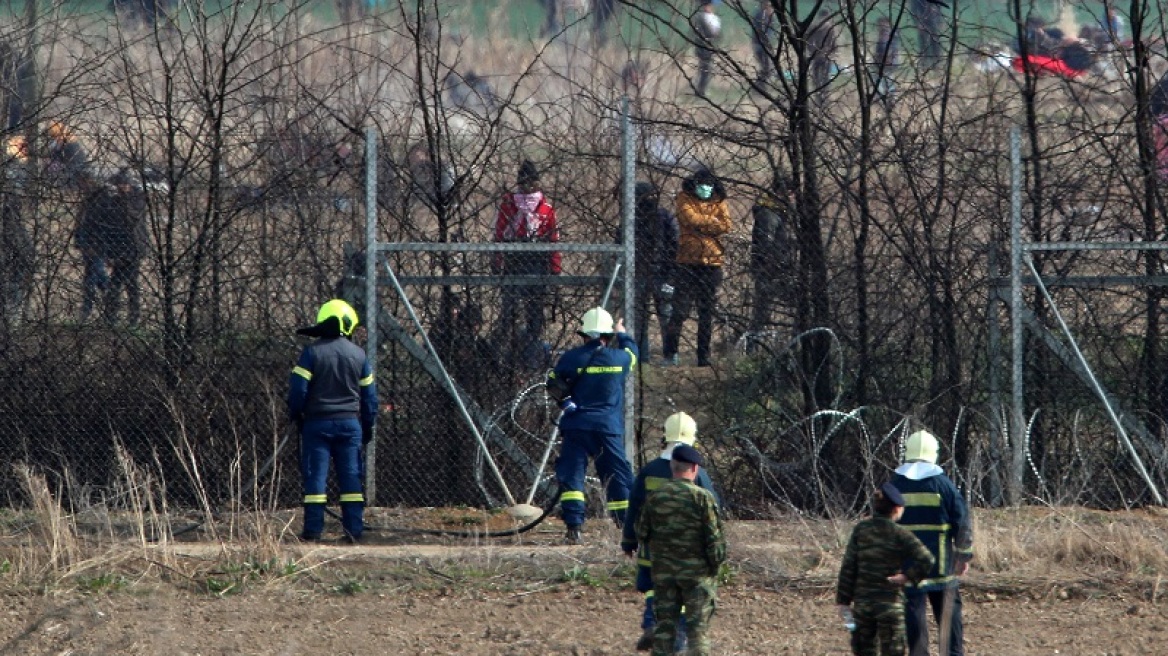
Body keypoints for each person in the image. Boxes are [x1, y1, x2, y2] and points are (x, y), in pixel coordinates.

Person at [622, 412, 719, 652]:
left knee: (655, 591)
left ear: (665, 435)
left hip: (654, 554)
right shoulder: (699, 475)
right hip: (689, 558)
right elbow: (714, 512)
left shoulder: (648, 472)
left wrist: (629, 541)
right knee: (687, 598)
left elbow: (635, 509)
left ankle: (651, 624)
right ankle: (680, 636)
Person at [287, 299, 378, 543]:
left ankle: (313, 532)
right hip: (350, 425)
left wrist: (297, 413)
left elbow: (298, 389)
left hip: (317, 424)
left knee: (315, 478)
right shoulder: (359, 355)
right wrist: (367, 426)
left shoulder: (311, 353)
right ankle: (353, 531)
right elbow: (370, 398)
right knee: (351, 477)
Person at [547, 307, 637, 544]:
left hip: (577, 425)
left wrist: (565, 402)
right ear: (608, 335)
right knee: (616, 475)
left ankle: (574, 527)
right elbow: (633, 353)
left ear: (584, 334)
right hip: (608, 428)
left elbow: (553, 382)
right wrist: (623, 333)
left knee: (573, 474)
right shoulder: (619, 359)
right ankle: (624, 525)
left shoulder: (571, 358)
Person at [891, 429, 974, 656]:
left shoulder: (895, 485)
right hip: (942, 564)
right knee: (948, 615)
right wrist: (963, 555)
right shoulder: (944, 485)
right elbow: (962, 522)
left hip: (909, 564)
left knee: (914, 615)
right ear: (934, 454)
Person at [836, 482, 937, 656]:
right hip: (890, 605)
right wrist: (907, 576)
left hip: (863, 605)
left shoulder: (861, 530)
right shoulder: (900, 533)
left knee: (863, 650)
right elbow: (927, 559)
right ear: (897, 509)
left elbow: (849, 566)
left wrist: (843, 600)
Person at [663, 168, 730, 367]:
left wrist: (702, 224)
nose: (706, 188)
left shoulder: (719, 200)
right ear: (695, 184)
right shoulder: (684, 198)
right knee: (680, 311)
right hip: (687, 263)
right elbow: (688, 219)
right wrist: (711, 222)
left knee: (706, 313)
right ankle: (671, 353)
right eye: (702, 184)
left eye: (709, 185)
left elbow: (726, 225)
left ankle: (703, 356)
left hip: (711, 263)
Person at [494, 159, 560, 361]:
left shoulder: (546, 208)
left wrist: (555, 268)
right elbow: (499, 234)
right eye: (525, 182)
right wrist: (498, 260)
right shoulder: (508, 205)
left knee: (534, 311)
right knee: (510, 310)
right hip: (514, 261)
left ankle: (531, 353)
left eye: (532, 182)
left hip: (537, 263)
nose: (529, 186)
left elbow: (553, 240)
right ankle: (503, 352)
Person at [74, 169, 149, 326]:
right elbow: (104, 224)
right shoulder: (110, 202)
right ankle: (114, 318)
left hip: (133, 249)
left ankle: (127, 318)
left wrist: (123, 199)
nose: (121, 188)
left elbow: (132, 219)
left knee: (127, 284)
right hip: (118, 249)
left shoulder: (136, 199)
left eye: (124, 184)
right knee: (120, 284)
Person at [627, 181, 678, 362]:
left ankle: (670, 355)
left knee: (666, 315)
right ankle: (641, 357)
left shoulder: (664, 217)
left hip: (662, 272)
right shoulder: (631, 218)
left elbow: (674, 245)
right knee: (639, 318)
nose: (650, 200)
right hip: (638, 273)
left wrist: (671, 276)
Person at [749, 178, 794, 334]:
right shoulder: (769, 215)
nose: (793, 197)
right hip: (770, 269)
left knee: (764, 308)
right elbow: (765, 244)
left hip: (780, 267)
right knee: (762, 309)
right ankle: (755, 340)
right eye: (791, 193)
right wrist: (772, 263)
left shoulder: (782, 213)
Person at [692, 1, 721, 96]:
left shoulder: (710, 17)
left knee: (705, 70)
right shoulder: (700, 17)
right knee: (704, 69)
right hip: (704, 49)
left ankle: (701, 89)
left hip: (708, 48)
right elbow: (702, 34)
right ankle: (701, 90)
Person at [872, 17, 901, 105]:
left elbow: (887, 48)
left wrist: (887, 58)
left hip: (887, 61)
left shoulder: (887, 34)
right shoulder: (891, 34)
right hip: (887, 61)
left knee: (884, 79)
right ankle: (887, 97)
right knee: (885, 79)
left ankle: (885, 97)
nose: (879, 27)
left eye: (881, 24)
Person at [751, 1, 778, 85]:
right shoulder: (761, 16)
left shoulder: (768, 17)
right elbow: (762, 32)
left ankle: (760, 85)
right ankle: (759, 86)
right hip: (761, 46)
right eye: (769, 6)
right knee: (767, 68)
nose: (771, 8)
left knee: (767, 68)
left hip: (763, 45)